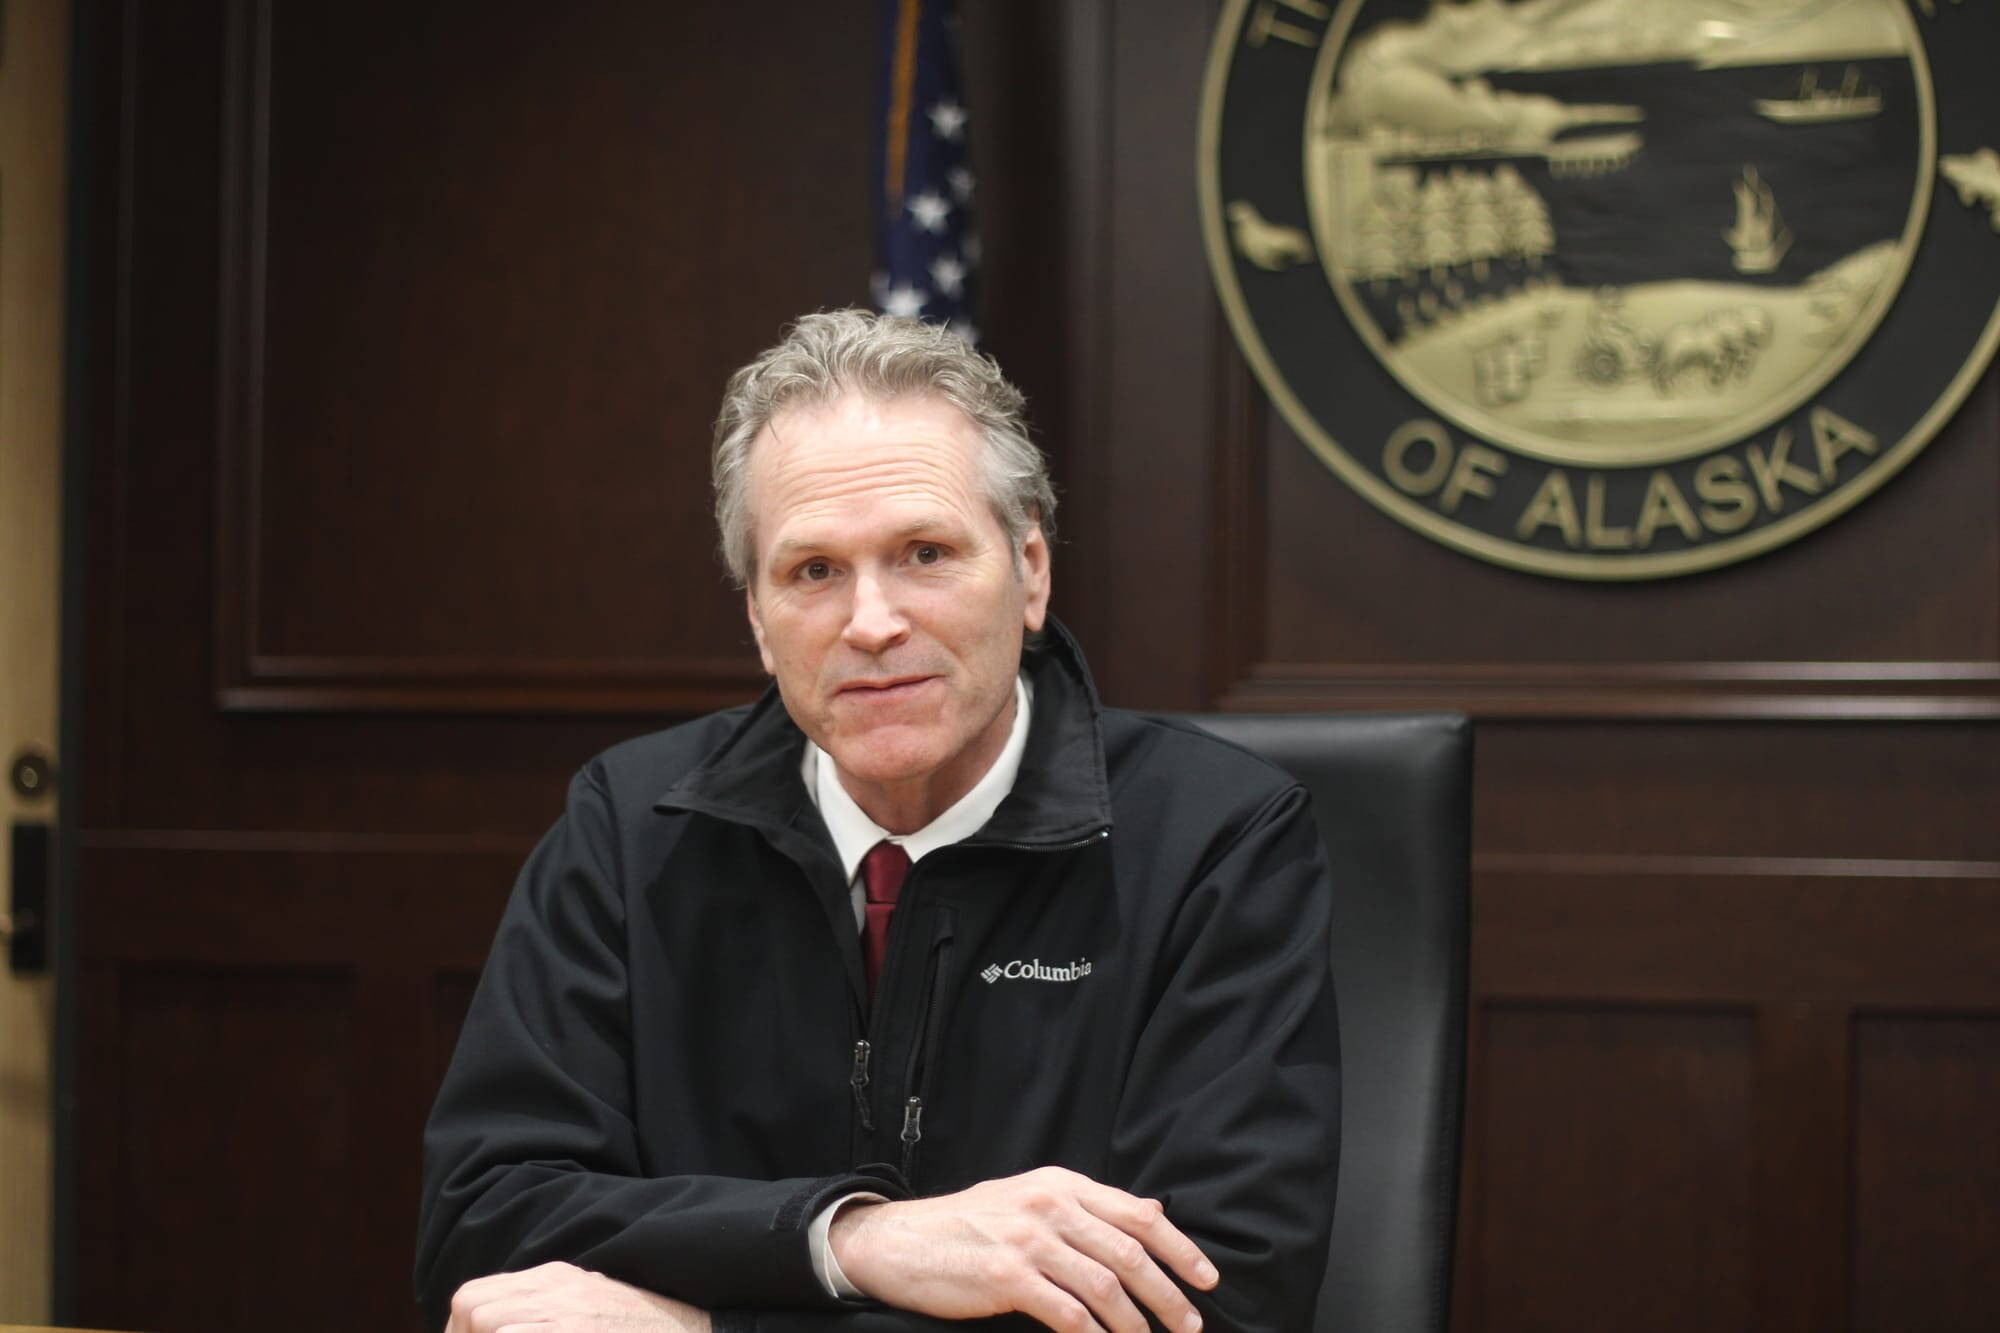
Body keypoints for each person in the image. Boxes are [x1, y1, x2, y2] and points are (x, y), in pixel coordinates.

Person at [416, 311, 1339, 1333]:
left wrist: (711, 1326)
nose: (870, 622)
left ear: (1028, 570)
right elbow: (484, 1231)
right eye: (812, 571)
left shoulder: (1217, 838)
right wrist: (850, 1239)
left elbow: (1218, 1300)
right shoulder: (629, 825)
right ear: (759, 621)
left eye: (924, 552)